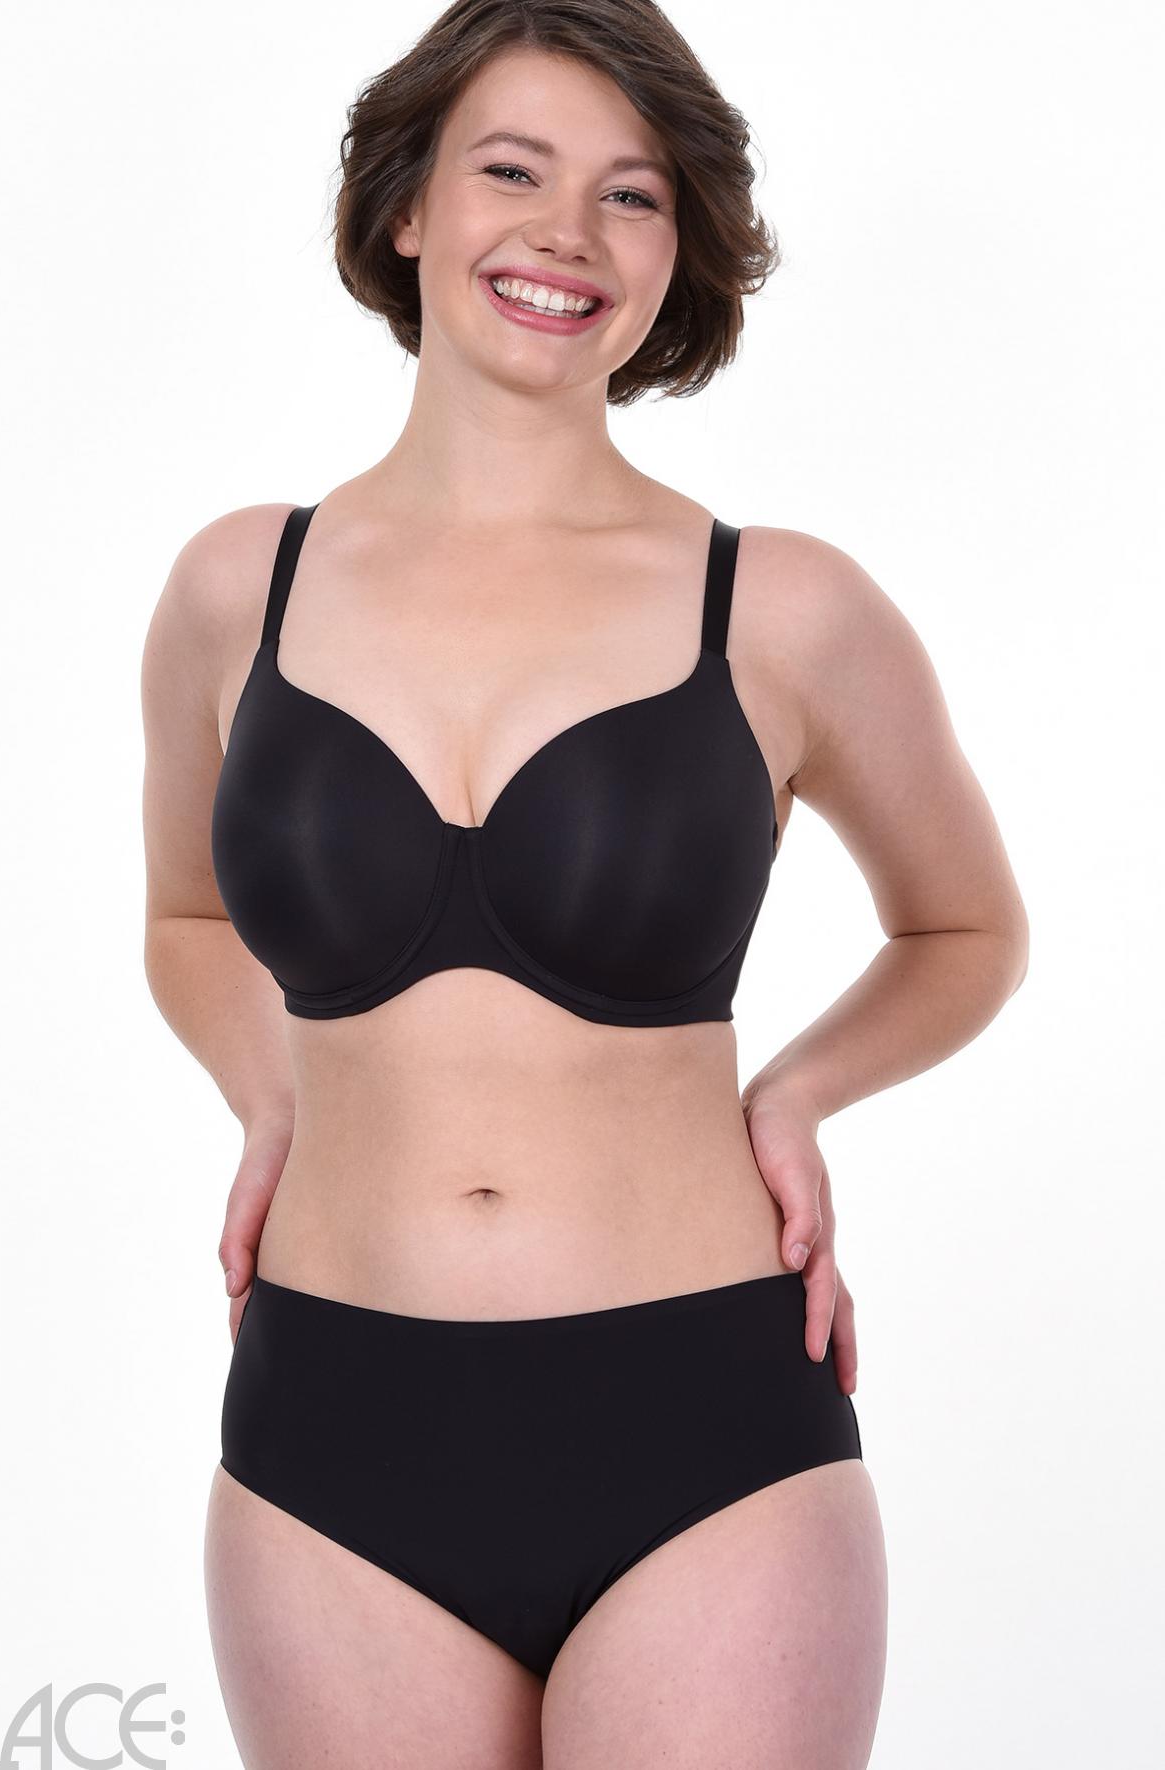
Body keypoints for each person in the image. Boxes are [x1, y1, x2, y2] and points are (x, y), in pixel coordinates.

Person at [140, 4, 1028, 1766]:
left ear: (678, 248)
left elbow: (968, 928)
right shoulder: (242, 588)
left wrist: (796, 1091)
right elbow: (184, 916)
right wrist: (270, 1090)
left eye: (631, 194)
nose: (568, 234)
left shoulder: (783, 607)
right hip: (333, 1433)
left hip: (707, 1434)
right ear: (409, 207)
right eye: (512, 171)